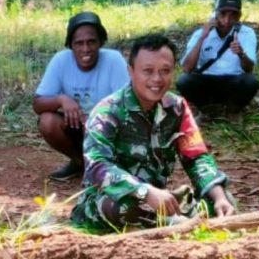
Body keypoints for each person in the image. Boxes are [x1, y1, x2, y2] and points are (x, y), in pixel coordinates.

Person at [68, 33, 234, 231]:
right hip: (114, 199)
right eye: (148, 71)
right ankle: (176, 225)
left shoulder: (177, 108)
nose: (157, 79)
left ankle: (173, 223)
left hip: (158, 201)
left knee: (223, 201)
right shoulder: (108, 111)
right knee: (119, 208)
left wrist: (219, 196)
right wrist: (144, 191)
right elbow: (98, 167)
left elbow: (196, 158)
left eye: (165, 71)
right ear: (131, 71)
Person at [34, 11, 131, 182]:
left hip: (109, 129)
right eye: (79, 43)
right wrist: (61, 99)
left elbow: (128, 104)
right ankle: (82, 163)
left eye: (91, 42)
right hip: (77, 126)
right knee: (47, 121)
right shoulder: (61, 60)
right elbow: (37, 104)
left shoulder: (114, 60)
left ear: (101, 42)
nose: (85, 49)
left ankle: (108, 165)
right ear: (70, 45)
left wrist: (97, 117)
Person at [177, 0, 259, 112]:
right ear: (215, 14)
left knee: (251, 81)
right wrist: (202, 37)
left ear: (239, 17)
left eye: (233, 15)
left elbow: (248, 69)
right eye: (222, 14)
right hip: (207, 81)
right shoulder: (200, 34)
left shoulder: (247, 33)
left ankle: (233, 110)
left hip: (233, 82)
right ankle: (207, 109)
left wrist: (241, 53)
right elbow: (186, 68)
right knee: (183, 80)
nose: (227, 20)